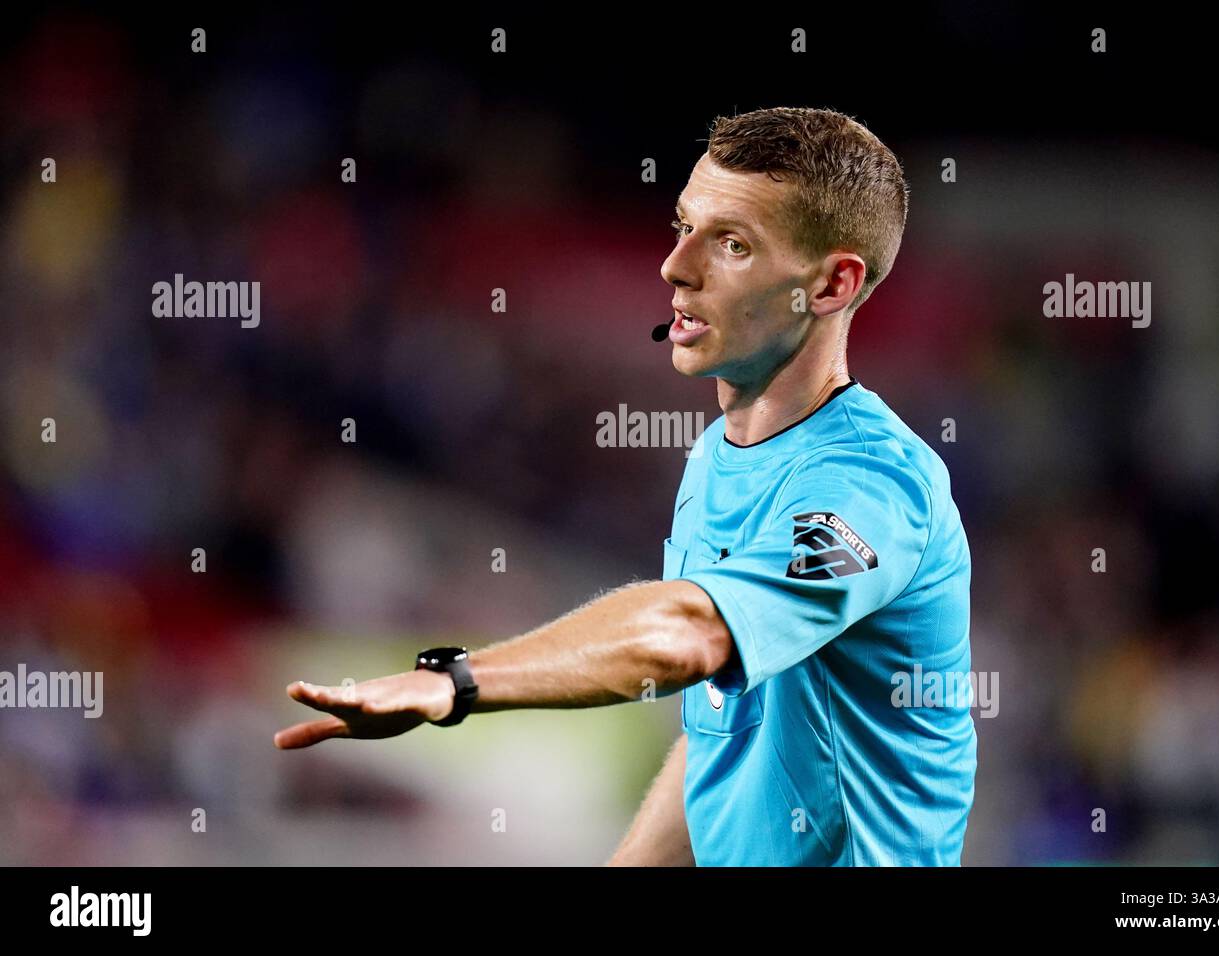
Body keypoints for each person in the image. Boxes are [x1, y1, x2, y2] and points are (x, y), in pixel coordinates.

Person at [274, 107, 977, 867]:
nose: (676, 267)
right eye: (684, 226)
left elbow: (690, 634)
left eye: (732, 244)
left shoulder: (873, 485)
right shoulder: (715, 460)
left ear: (833, 283)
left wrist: (459, 682)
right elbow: (723, 734)